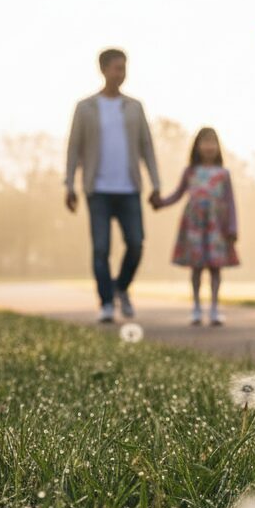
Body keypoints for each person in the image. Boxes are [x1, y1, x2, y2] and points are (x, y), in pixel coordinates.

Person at [64, 48, 162, 323]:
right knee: (101, 248)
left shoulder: (134, 107)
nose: (122, 73)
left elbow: (147, 146)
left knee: (136, 243)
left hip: (130, 188)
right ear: (104, 69)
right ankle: (106, 302)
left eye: (125, 68)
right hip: (98, 189)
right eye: (117, 68)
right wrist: (69, 184)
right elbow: (74, 147)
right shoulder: (86, 107)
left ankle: (121, 287)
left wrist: (156, 183)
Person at [155, 127, 239, 326]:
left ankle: (215, 308)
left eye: (213, 142)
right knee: (196, 268)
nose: (209, 147)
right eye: (205, 142)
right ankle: (196, 307)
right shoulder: (190, 171)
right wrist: (161, 202)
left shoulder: (223, 173)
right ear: (197, 146)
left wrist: (233, 228)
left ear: (219, 147)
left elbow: (231, 202)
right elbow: (178, 194)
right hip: (194, 224)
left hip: (216, 226)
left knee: (216, 268)